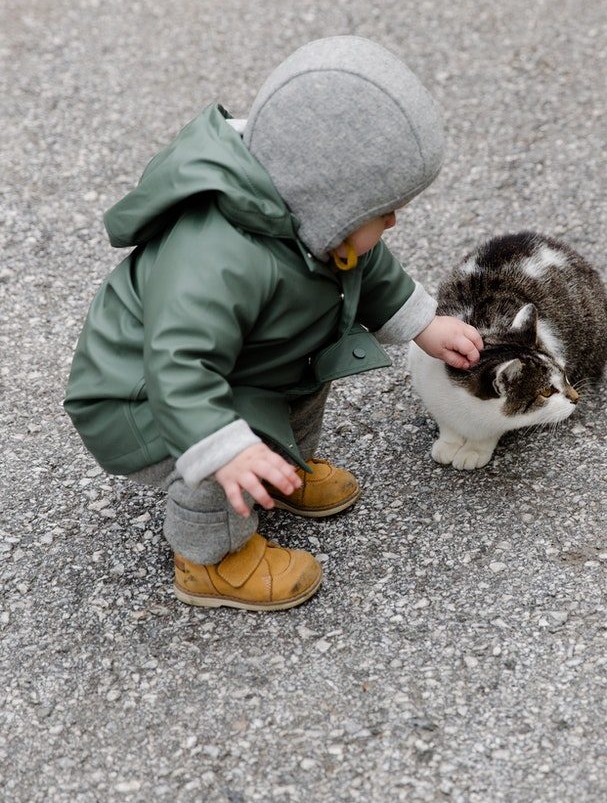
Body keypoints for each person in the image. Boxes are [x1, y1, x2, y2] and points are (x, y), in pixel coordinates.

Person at [64, 36, 483, 611]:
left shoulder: (317, 223)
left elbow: (370, 266)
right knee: (223, 453)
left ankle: (282, 470)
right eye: (380, 210)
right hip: (144, 396)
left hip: (245, 365)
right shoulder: (216, 257)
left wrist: (422, 324)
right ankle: (210, 560)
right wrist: (226, 449)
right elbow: (178, 364)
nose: (392, 219)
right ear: (327, 199)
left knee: (307, 379)